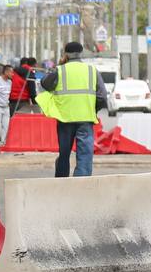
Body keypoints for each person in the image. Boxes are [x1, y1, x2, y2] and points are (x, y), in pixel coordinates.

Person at [37, 41, 107, 178]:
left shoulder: (60, 70)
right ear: (81, 53)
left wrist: (60, 65)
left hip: (65, 118)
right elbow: (102, 96)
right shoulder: (91, 70)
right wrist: (93, 109)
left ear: (66, 54)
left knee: (64, 153)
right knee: (85, 154)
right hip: (85, 118)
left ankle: (62, 180)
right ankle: (81, 183)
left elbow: (45, 84)